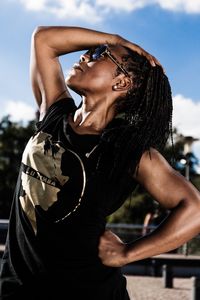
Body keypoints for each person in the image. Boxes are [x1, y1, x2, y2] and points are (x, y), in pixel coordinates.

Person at [0, 26, 200, 300]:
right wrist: (113, 40)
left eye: (99, 54)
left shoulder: (129, 151)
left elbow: (195, 209)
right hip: (18, 289)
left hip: (88, 291)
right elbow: (43, 39)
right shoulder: (55, 113)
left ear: (121, 83)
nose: (84, 56)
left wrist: (128, 253)